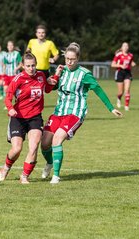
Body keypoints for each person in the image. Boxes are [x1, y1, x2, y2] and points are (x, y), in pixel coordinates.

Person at [40, 42, 123, 184]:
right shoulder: (62, 71)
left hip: (75, 113)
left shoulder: (85, 74)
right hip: (59, 112)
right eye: (67, 59)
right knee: (44, 144)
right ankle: (50, 163)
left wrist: (111, 108)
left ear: (78, 58)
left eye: (72, 59)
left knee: (57, 140)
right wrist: (55, 75)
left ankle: (56, 176)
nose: (69, 62)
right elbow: (48, 89)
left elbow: (98, 90)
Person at [0, 53, 57, 184]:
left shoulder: (41, 76)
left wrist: (52, 82)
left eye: (33, 65)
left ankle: (24, 176)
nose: (31, 68)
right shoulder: (18, 79)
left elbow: (46, 89)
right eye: (28, 66)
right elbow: (8, 97)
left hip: (35, 117)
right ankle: (6, 167)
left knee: (34, 146)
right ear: (23, 66)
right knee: (17, 149)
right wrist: (10, 108)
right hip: (18, 118)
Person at [111, 42, 136, 111]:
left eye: (127, 46)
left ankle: (126, 106)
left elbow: (130, 62)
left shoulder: (130, 55)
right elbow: (112, 64)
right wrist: (120, 66)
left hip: (127, 73)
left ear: (128, 47)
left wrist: (133, 63)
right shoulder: (118, 55)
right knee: (120, 92)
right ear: (121, 48)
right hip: (120, 73)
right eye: (124, 46)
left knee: (127, 90)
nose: (125, 47)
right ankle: (119, 98)